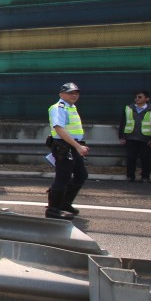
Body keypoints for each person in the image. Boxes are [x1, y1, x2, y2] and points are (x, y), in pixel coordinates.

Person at [45, 82, 88, 219]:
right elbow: (59, 129)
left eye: (76, 93)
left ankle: (64, 202)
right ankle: (53, 209)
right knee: (62, 178)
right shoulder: (59, 108)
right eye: (70, 93)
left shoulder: (71, 107)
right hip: (63, 146)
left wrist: (78, 145)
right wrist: (78, 146)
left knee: (81, 175)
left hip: (72, 145)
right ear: (61, 94)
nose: (74, 95)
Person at [118, 90, 151, 182]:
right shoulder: (128, 108)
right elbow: (123, 123)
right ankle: (130, 176)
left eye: (140, 97)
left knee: (145, 158)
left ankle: (145, 176)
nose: (137, 99)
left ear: (147, 99)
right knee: (131, 158)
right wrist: (121, 136)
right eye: (136, 97)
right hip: (130, 137)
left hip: (146, 138)